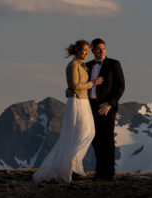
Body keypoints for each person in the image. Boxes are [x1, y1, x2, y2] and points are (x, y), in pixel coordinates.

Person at [32, 39, 101, 182]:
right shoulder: (73, 65)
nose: (87, 53)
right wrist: (93, 83)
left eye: (88, 50)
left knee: (87, 133)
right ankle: (71, 168)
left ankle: (73, 167)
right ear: (77, 50)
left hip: (83, 102)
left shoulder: (82, 65)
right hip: (77, 102)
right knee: (80, 134)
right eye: (84, 50)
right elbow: (74, 85)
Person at [86, 38, 125, 181]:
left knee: (107, 140)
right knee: (96, 140)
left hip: (107, 107)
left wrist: (110, 103)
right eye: (98, 49)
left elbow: (120, 86)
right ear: (92, 51)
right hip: (91, 107)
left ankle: (109, 174)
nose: (101, 51)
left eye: (103, 48)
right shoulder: (87, 66)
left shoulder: (114, 64)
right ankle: (99, 173)